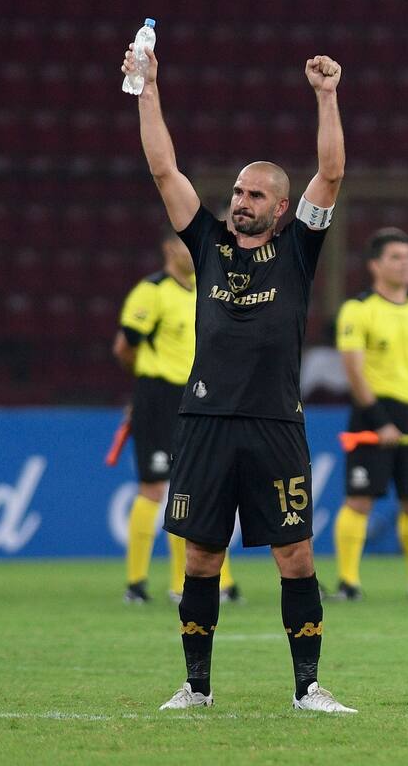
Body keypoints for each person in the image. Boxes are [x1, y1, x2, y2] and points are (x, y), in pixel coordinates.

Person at [122, 40, 354, 713]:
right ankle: (195, 687)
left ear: (281, 207)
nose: (241, 201)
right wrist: (148, 89)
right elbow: (163, 168)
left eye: (255, 194)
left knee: (296, 557)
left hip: (276, 422)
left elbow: (332, 172)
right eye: (237, 192)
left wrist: (327, 96)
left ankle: (309, 688)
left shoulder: (299, 249)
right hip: (205, 421)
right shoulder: (208, 244)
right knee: (201, 559)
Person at [114, 231, 241, 606]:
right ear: (169, 248)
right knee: (154, 487)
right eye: (188, 245)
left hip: (199, 398)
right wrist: (145, 385)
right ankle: (136, 582)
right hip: (158, 397)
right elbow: (124, 347)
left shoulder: (208, 289)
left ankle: (189, 582)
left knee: (199, 488)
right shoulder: (151, 291)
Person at [328, 227, 408, 602]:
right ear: (375, 265)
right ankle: (348, 582)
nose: (405, 264)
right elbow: (354, 371)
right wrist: (380, 421)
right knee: (360, 498)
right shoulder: (358, 310)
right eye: (396, 257)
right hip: (372, 413)